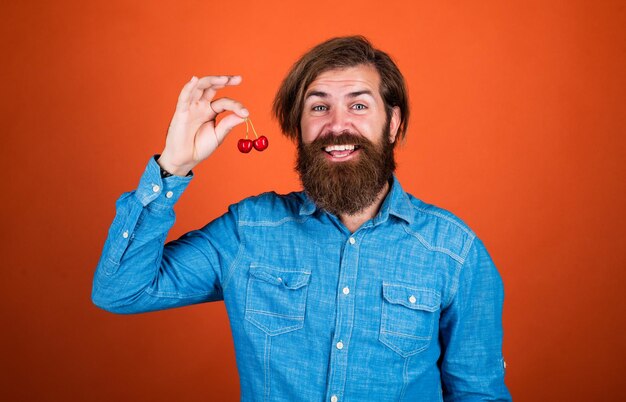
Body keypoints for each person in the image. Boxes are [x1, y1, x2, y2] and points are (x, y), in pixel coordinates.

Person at [92, 36, 512, 401]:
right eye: (318, 108)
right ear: (298, 127)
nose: (337, 125)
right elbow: (120, 291)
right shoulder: (248, 231)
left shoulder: (453, 252)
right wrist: (172, 166)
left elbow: (478, 393)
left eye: (359, 105)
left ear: (392, 123)